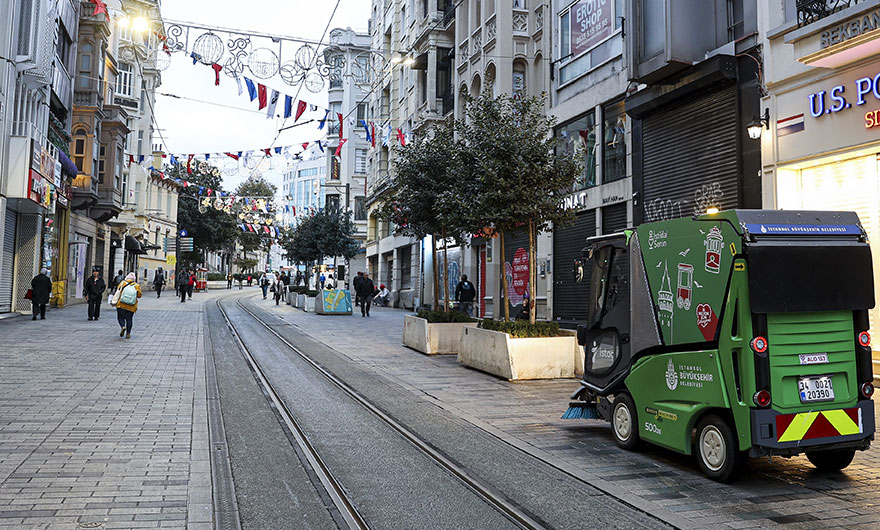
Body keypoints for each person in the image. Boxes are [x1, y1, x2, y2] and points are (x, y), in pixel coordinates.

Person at [113, 272, 142, 339]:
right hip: (131, 306)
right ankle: (128, 333)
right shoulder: (136, 286)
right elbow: (139, 295)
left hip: (121, 304)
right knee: (129, 319)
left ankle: (123, 326)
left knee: (120, 317)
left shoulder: (123, 283)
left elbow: (118, 290)